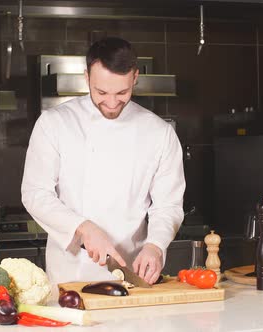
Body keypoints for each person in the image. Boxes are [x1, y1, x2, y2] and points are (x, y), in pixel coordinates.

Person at [21, 37, 185, 285]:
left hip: (132, 275)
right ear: (87, 77)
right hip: (70, 276)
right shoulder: (54, 124)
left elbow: (168, 205)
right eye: (101, 92)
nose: (111, 102)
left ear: (135, 77)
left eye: (122, 92)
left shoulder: (159, 132)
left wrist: (155, 245)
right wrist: (83, 227)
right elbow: (35, 193)